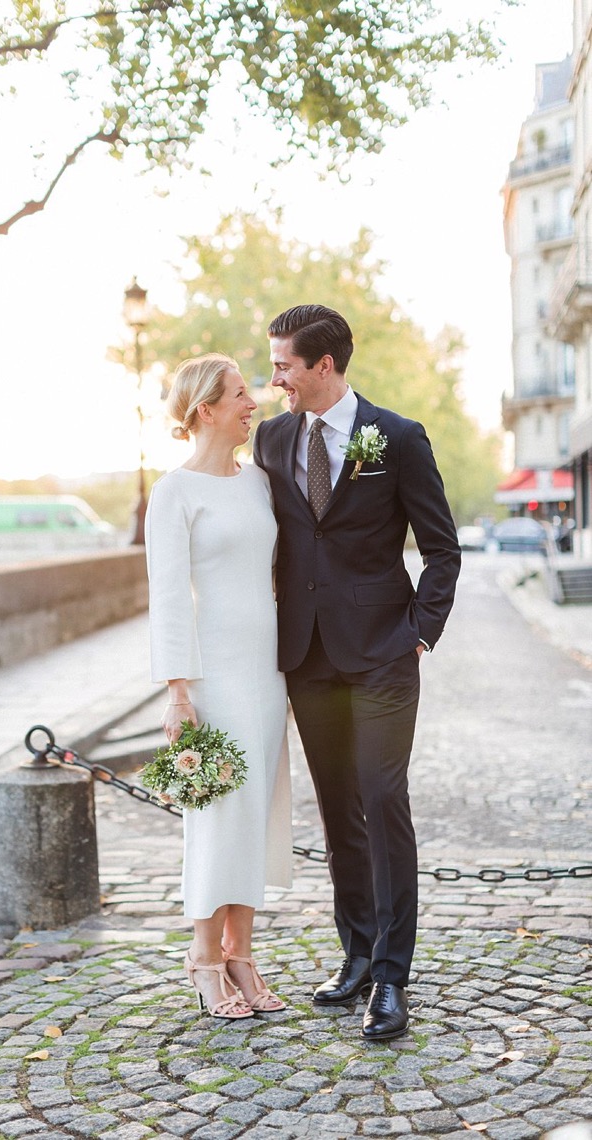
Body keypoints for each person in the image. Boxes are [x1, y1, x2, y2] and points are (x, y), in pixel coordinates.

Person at [253, 304, 460, 1041]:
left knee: (381, 798)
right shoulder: (273, 438)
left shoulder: (396, 438)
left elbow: (442, 549)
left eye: (284, 366)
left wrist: (420, 635)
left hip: (383, 653)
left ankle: (393, 980)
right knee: (339, 809)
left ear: (324, 366)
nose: (274, 379)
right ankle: (357, 956)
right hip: (307, 656)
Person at [145, 353, 293, 1021]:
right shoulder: (175, 492)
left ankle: (242, 952)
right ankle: (204, 958)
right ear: (206, 409)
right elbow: (170, 599)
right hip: (214, 674)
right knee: (216, 814)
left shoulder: (260, 482)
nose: (251, 402)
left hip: (269, 668)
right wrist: (179, 692)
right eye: (239, 394)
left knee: (256, 808)